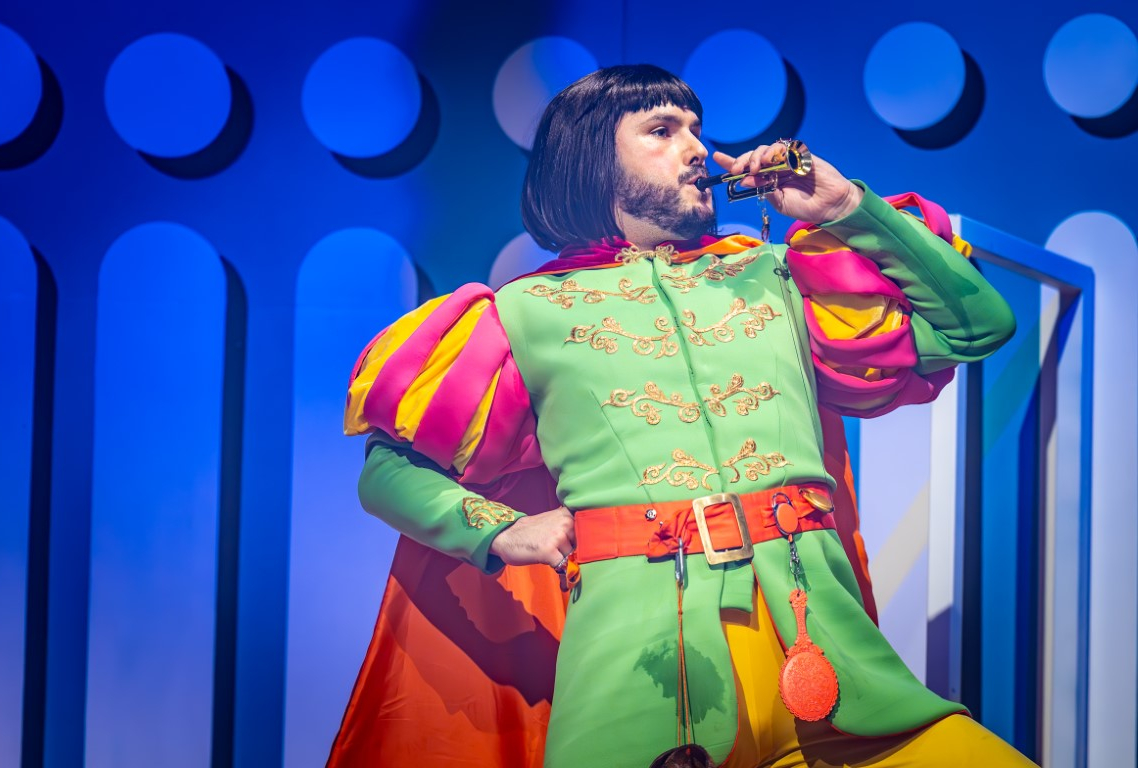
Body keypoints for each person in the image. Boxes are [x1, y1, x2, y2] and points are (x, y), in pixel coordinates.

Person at [331, 64, 1034, 767]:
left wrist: (843, 205)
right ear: (592, 162)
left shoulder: (777, 275)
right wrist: (503, 530)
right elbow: (389, 471)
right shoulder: (521, 313)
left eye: (696, 129)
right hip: (637, 692)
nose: (697, 148)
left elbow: (979, 325)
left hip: (837, 677)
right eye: (662, 131)